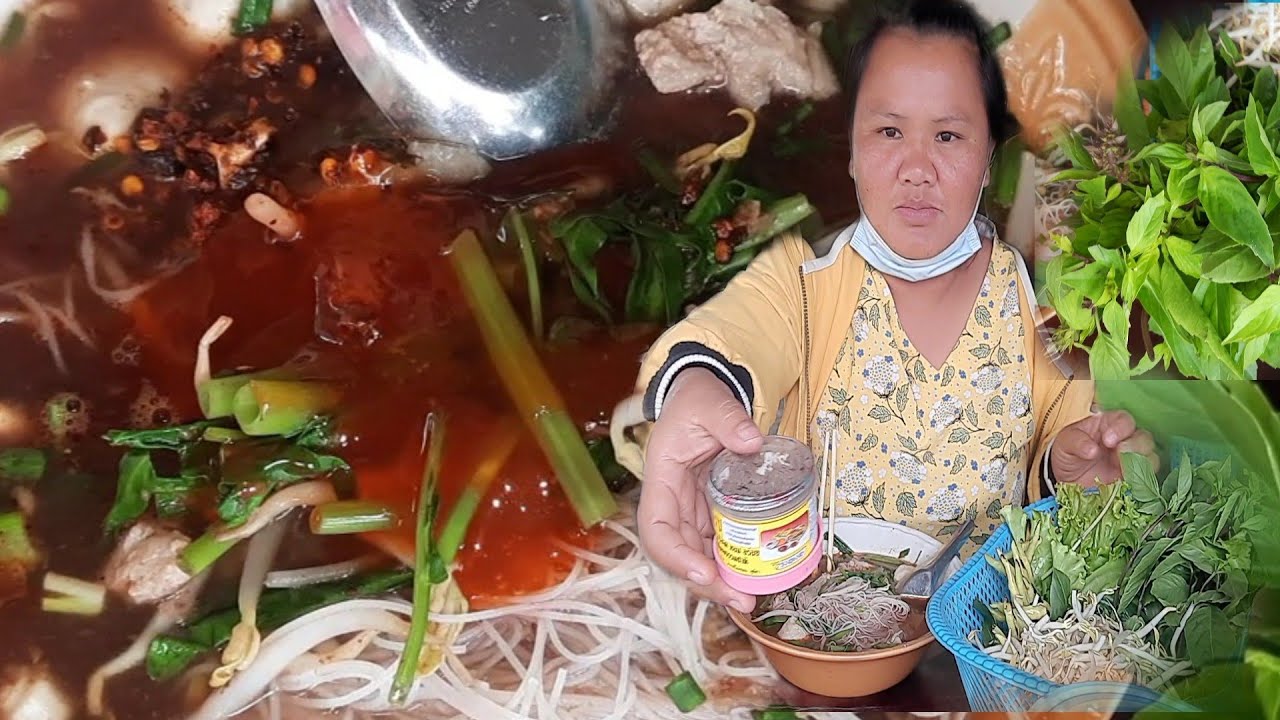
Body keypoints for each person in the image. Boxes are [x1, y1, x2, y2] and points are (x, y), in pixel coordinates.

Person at [628, 0, 1159, 614]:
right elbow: (731, 339)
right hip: (807, 618)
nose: (916, 170)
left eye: (948, 136)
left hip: (985, 628)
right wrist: (697, 387)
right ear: (852, 154)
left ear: (989, 159)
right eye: (888, 133)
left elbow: (1053, 454)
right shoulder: (804, 280)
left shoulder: (1048, 307)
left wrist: (1070, 473)